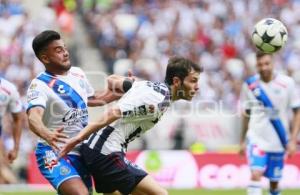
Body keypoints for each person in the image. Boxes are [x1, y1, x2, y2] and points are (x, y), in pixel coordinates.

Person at [59, 56, 202, 195]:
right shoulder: (156, 98)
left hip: (99, 150)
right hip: (105, 152)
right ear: (176, 81)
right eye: (193, 81)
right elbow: (113, 113)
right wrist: (78, 138)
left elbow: (111, 80)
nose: (197, 87)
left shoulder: (149, 86)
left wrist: (128, 84)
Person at [27, 30, 133, 195]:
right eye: (58, 50)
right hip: (53, 152)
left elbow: (92, 99)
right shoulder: (39, 85)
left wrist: (120, 93)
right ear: (45, 58)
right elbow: (33, 117)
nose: (65, 53)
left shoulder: (78, 73)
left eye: (64, 48)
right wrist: (47, 134)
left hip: (82, 150)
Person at [239, 52, 300, 195]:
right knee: (255, 174)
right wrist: (242, 141)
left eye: (267, 63)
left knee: (274, 183)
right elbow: (246, 114)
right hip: (256, 139)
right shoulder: (250, 85)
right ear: (256, 66)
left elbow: (297, 112)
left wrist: (292, 140)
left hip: (278, 141)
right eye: (260, 65)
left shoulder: (287, 83)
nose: (264, 67)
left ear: (273, 64)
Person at [0, 77, 23, 183]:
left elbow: (18, 118)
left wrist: (16, 148)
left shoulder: (9, 89)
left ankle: (16, 187)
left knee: (2, 169)